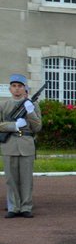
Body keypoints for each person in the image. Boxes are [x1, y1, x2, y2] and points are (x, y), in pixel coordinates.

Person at [1, 74, 42, 218]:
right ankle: (13, 207)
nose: (17, 89)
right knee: (11, 178)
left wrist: (30, 112)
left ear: (25, 89)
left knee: (26, 178)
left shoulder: (32, 105)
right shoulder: (3, 105)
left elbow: (37, 127)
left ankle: (26, 206)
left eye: (20, 86)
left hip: (26, 143)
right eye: (14, 86)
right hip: (9, 144)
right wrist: (13, 125)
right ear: (10, 89)